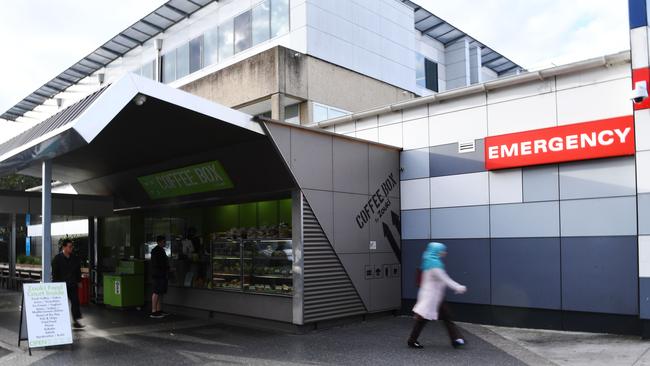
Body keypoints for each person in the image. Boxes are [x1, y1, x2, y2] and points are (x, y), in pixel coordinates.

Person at [407, 242, 467, 349]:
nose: (444, 252)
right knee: (424, 319)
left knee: (446, 317)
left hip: (435, 296)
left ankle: (455, 339)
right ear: (437, 252)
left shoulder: (429, 262)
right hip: (432, 297)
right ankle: (412, 340)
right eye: (442, 250)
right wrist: (459, 287)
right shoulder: (435, 266)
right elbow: (445, 279)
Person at [52, 239, 84, 329]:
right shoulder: (57, 258)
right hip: (61, 285)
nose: (71, 248)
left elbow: (78, 270)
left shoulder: (74, 258)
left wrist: (79, 281)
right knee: (61, 304)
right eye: (69, 247)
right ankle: (59, 322)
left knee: (75, 302)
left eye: (72, 247)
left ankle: (76, 320)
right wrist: (56, 285)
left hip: (72, 284)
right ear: (64, 247)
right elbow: (55, 273)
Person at [150, 235, 170, 319]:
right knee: (156, 292)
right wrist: (167, 267)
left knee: (159, 292)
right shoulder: (156, 251)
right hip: (158, 274)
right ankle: (154, 311)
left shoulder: (159, 250)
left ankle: (158, 310)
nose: (164, 243)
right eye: (163, 241)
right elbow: (158, 263)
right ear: (159, 242)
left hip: (160, 273)